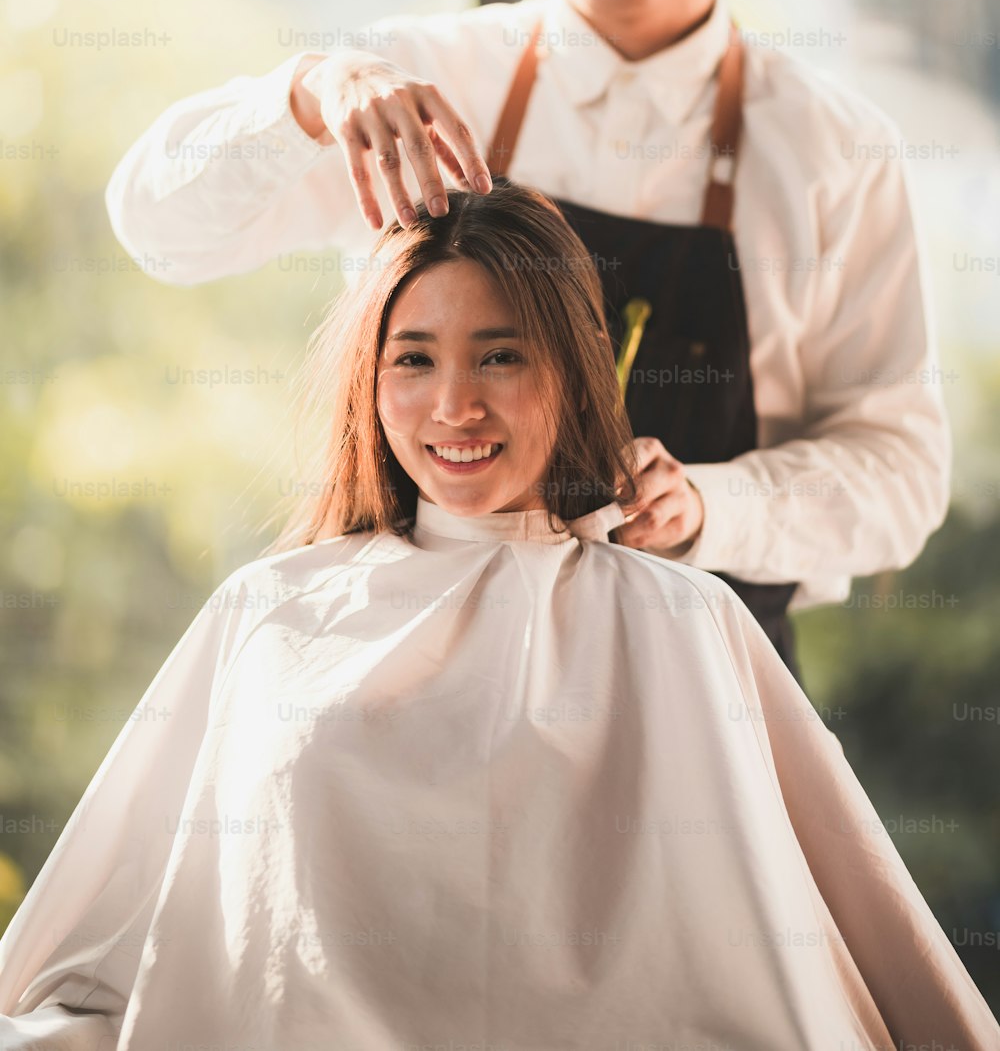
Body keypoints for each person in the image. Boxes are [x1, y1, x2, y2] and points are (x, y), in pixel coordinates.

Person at [0, 181, 993, 1050]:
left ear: (571, 367)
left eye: (500, 356)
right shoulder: (269, 611)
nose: (453, 407)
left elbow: (850, 950)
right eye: (414, 360)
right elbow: (107, 934)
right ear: (367, 381)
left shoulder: (683, 618)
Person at [104, 0, 951, 684]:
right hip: (430, 676)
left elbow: (900, 469)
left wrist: (712, 506)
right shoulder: (424, 79)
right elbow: (158, 226)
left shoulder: (828, 148)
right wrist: (306, 94)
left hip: (704, 692)